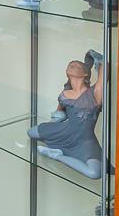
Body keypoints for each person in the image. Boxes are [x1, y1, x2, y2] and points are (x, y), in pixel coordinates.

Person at [28, 50, 105, 179]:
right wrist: (51, 127)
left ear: (85, 73)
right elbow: (59, 115)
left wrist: (96, 59)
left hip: (84, 141)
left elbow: (105, 70)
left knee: (94, 173)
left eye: (77, 65)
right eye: (70, 64)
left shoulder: (94, 93)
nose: (72, 64)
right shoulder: (64, 94)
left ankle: (56, 155)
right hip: (65, 131)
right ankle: (57, 145)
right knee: (31, 132)